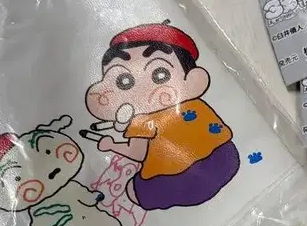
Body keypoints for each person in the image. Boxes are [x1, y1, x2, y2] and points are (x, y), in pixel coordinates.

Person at [85, 22, 240, 211]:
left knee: (134, 191)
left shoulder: (141, 122)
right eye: (123, 81)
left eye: (160, 74)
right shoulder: (196, 104)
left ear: (192, 79)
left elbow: (138, 153)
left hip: (174, 181)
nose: (141, 89)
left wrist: (111, 145)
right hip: (225, 158)